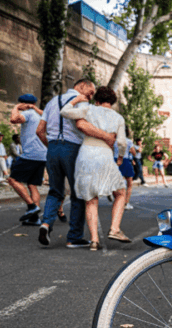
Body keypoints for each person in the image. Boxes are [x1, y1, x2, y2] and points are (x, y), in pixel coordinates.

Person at [36, 79, 115, 248]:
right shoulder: (81, 102)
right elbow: (82, 125)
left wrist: (52, 147)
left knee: (55, 191)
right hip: (73, 149)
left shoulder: (52, 102)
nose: (91, 96)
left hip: (53, 149)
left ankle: (46, 224)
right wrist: (105, 137)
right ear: (82, 86)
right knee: (78, 193)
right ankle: (74, 237)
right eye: (91, 92)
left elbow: (39, 131)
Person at [59, 86, 132, 250]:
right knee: (120, 192)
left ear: (97, 99)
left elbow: (64, 112)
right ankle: (114, 228)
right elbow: (121, 142)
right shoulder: (118, 117)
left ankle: (94, 240)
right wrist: (120, 157)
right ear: (112, 102)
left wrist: (77, 99)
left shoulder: (88, 109)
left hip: (86, 153)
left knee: (91, 198)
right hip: (104, 154)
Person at [8, 94, 52, 225]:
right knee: (32, 185)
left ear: (24, 104)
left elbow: (13, 119)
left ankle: (32, 207)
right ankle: (34, 218)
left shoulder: (28, 113)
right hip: (42, 154)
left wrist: (16, 107)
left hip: (31, 154)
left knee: (12, 180)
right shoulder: (39, 114)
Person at [113, 126, 137, 210]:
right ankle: (126, 203)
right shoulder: (128, 141)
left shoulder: (114, 141)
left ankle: (117, 200)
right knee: (129, 183)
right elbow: (134, 153)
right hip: (125, 160)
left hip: (115, 160)